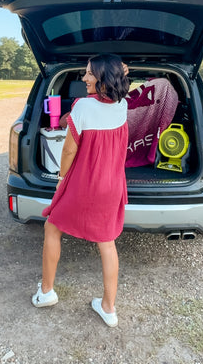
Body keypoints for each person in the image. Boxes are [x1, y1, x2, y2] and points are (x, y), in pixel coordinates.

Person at [32, 54, 129, 327]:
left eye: (88, 73)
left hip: (85, 184)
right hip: (112, 185)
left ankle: (47, 292)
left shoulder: (83, 107)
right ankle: (108, 308)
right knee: (106, 242)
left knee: (52, 227)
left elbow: (69, 149)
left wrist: (61, 178)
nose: (83, 78)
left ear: (102, 79)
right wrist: (115, 70)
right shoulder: (123, 104)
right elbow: (120, 78)